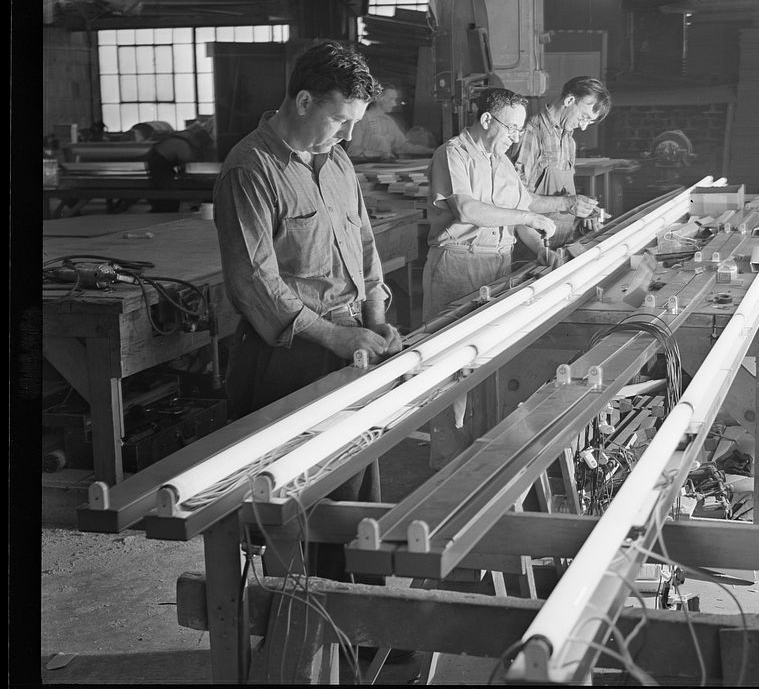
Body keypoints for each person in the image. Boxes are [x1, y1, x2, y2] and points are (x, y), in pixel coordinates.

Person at [213, 40, 403, 583]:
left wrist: (373, 314)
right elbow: (256, 285)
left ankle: (364, 624)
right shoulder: (251, 170)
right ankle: (297, 636)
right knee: (294, 502)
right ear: (301, 101)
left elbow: (365, 244)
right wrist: (338, 338)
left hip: (349, 345)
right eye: (339, 121)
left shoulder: (337, 161)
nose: (347, 136)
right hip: (288, 356)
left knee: (355, 492)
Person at [421, 87, 595, 470]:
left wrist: (540, 249)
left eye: (519, 129)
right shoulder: (452, 154)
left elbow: (518, 211)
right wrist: (529, 219)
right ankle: (446, 466)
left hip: (496, 266)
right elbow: (467, 209)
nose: (517, 136)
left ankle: (478, 458)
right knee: (450, 370)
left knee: (485, 364)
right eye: (512, 128)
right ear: (487, 120)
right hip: (457, 266)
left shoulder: (499, 160)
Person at [510, 76, 612, 258]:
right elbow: (514, 201)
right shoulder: (532, 133)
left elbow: (563, 199)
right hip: (533, 250)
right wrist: (568, 203)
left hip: (562, 244)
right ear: (570, 100)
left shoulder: (568, 140)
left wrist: (583, 214)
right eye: (584, 117)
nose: (583, 127)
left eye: (589, 122)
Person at [347, 83, 435, 162]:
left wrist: (431, 151)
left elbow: (402, 146)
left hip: (384, 170)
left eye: (395, 100)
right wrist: (379, 155)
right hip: (364, 171)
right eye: (391, 99)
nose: (394, 104)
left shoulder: (389, 121)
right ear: (378, 98)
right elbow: (353, 152)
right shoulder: (362, 119)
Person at [145, 118, 216, 212]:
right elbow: (190, 162)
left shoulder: (189, 138)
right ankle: (162, 209)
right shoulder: (185, 145)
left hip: (163, 160)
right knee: (167, 193)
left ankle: (164, 207)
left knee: (168, 189)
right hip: (158, 161)